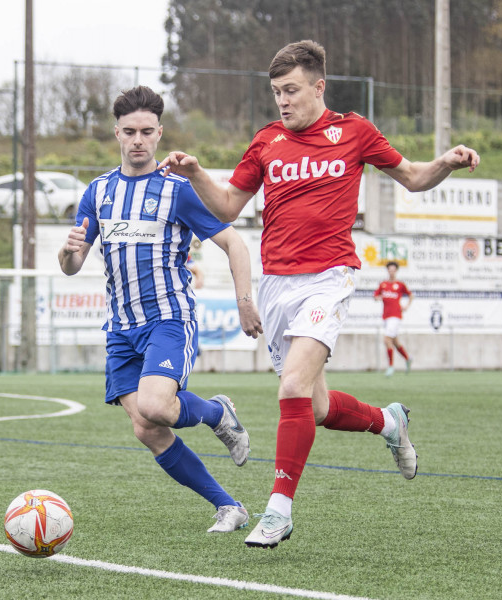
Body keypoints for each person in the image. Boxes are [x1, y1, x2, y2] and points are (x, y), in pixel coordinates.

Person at [159, 40, 480, 548]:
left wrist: (447, 160)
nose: (282, 101)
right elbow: (226, 208)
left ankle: (278, 511)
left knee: (290, 391)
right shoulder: (266, 141)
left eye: (291, 91)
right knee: (317, 408)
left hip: (328, 278)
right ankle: (387, 422)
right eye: (276, 93)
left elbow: (414, 178)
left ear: (318, 87)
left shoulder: (354, 131)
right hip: (277, 286)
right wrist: (196, 172)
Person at [58, 86, 264, 534]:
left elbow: (235, 242)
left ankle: (215, 413)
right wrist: (68, 252)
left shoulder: (178, 191)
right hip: (120, 329)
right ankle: (229, 506)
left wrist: (244, 300)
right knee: (147, 428)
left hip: (168, 320)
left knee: (155, 405)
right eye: (129, 131)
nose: (137, 140)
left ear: (159, 133)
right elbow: (72, 266)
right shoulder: (98, 193)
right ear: (116, 133)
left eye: (146, 131)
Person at [374, 260, 413, 376]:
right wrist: (378, 298)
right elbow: (376, 296)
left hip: (395, 316)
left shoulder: (400, 285)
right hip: (386, 316)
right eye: (389, 269)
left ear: (396, 271)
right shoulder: (383, 285)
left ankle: (391, 366)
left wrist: (406, 306)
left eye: (393, 270)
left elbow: (411, 295)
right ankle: (407, 358)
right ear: (388, 271)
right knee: (394, 341)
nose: (391, 271)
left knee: (386, 340)